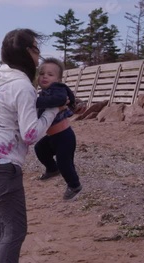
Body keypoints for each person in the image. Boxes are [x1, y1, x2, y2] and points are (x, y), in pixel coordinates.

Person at [0, 29, 59, 263]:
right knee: (15, 229)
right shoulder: (22, 86)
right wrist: (52, 111)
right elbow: (30, 134)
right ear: (27, 52)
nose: (39, 57)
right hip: (0, 164)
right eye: (37, 49)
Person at [34, 57, 82, 200]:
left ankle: (74, 185)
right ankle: (52, 169)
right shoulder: (44, 92)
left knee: (65, 162)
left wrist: (34, 102)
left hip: (64, 136)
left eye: (50, 74)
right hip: (52, 136)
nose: (45, 77)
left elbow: (60, 100)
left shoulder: (58, 89)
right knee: (40, 149)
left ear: (59, 79)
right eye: (42, 73)